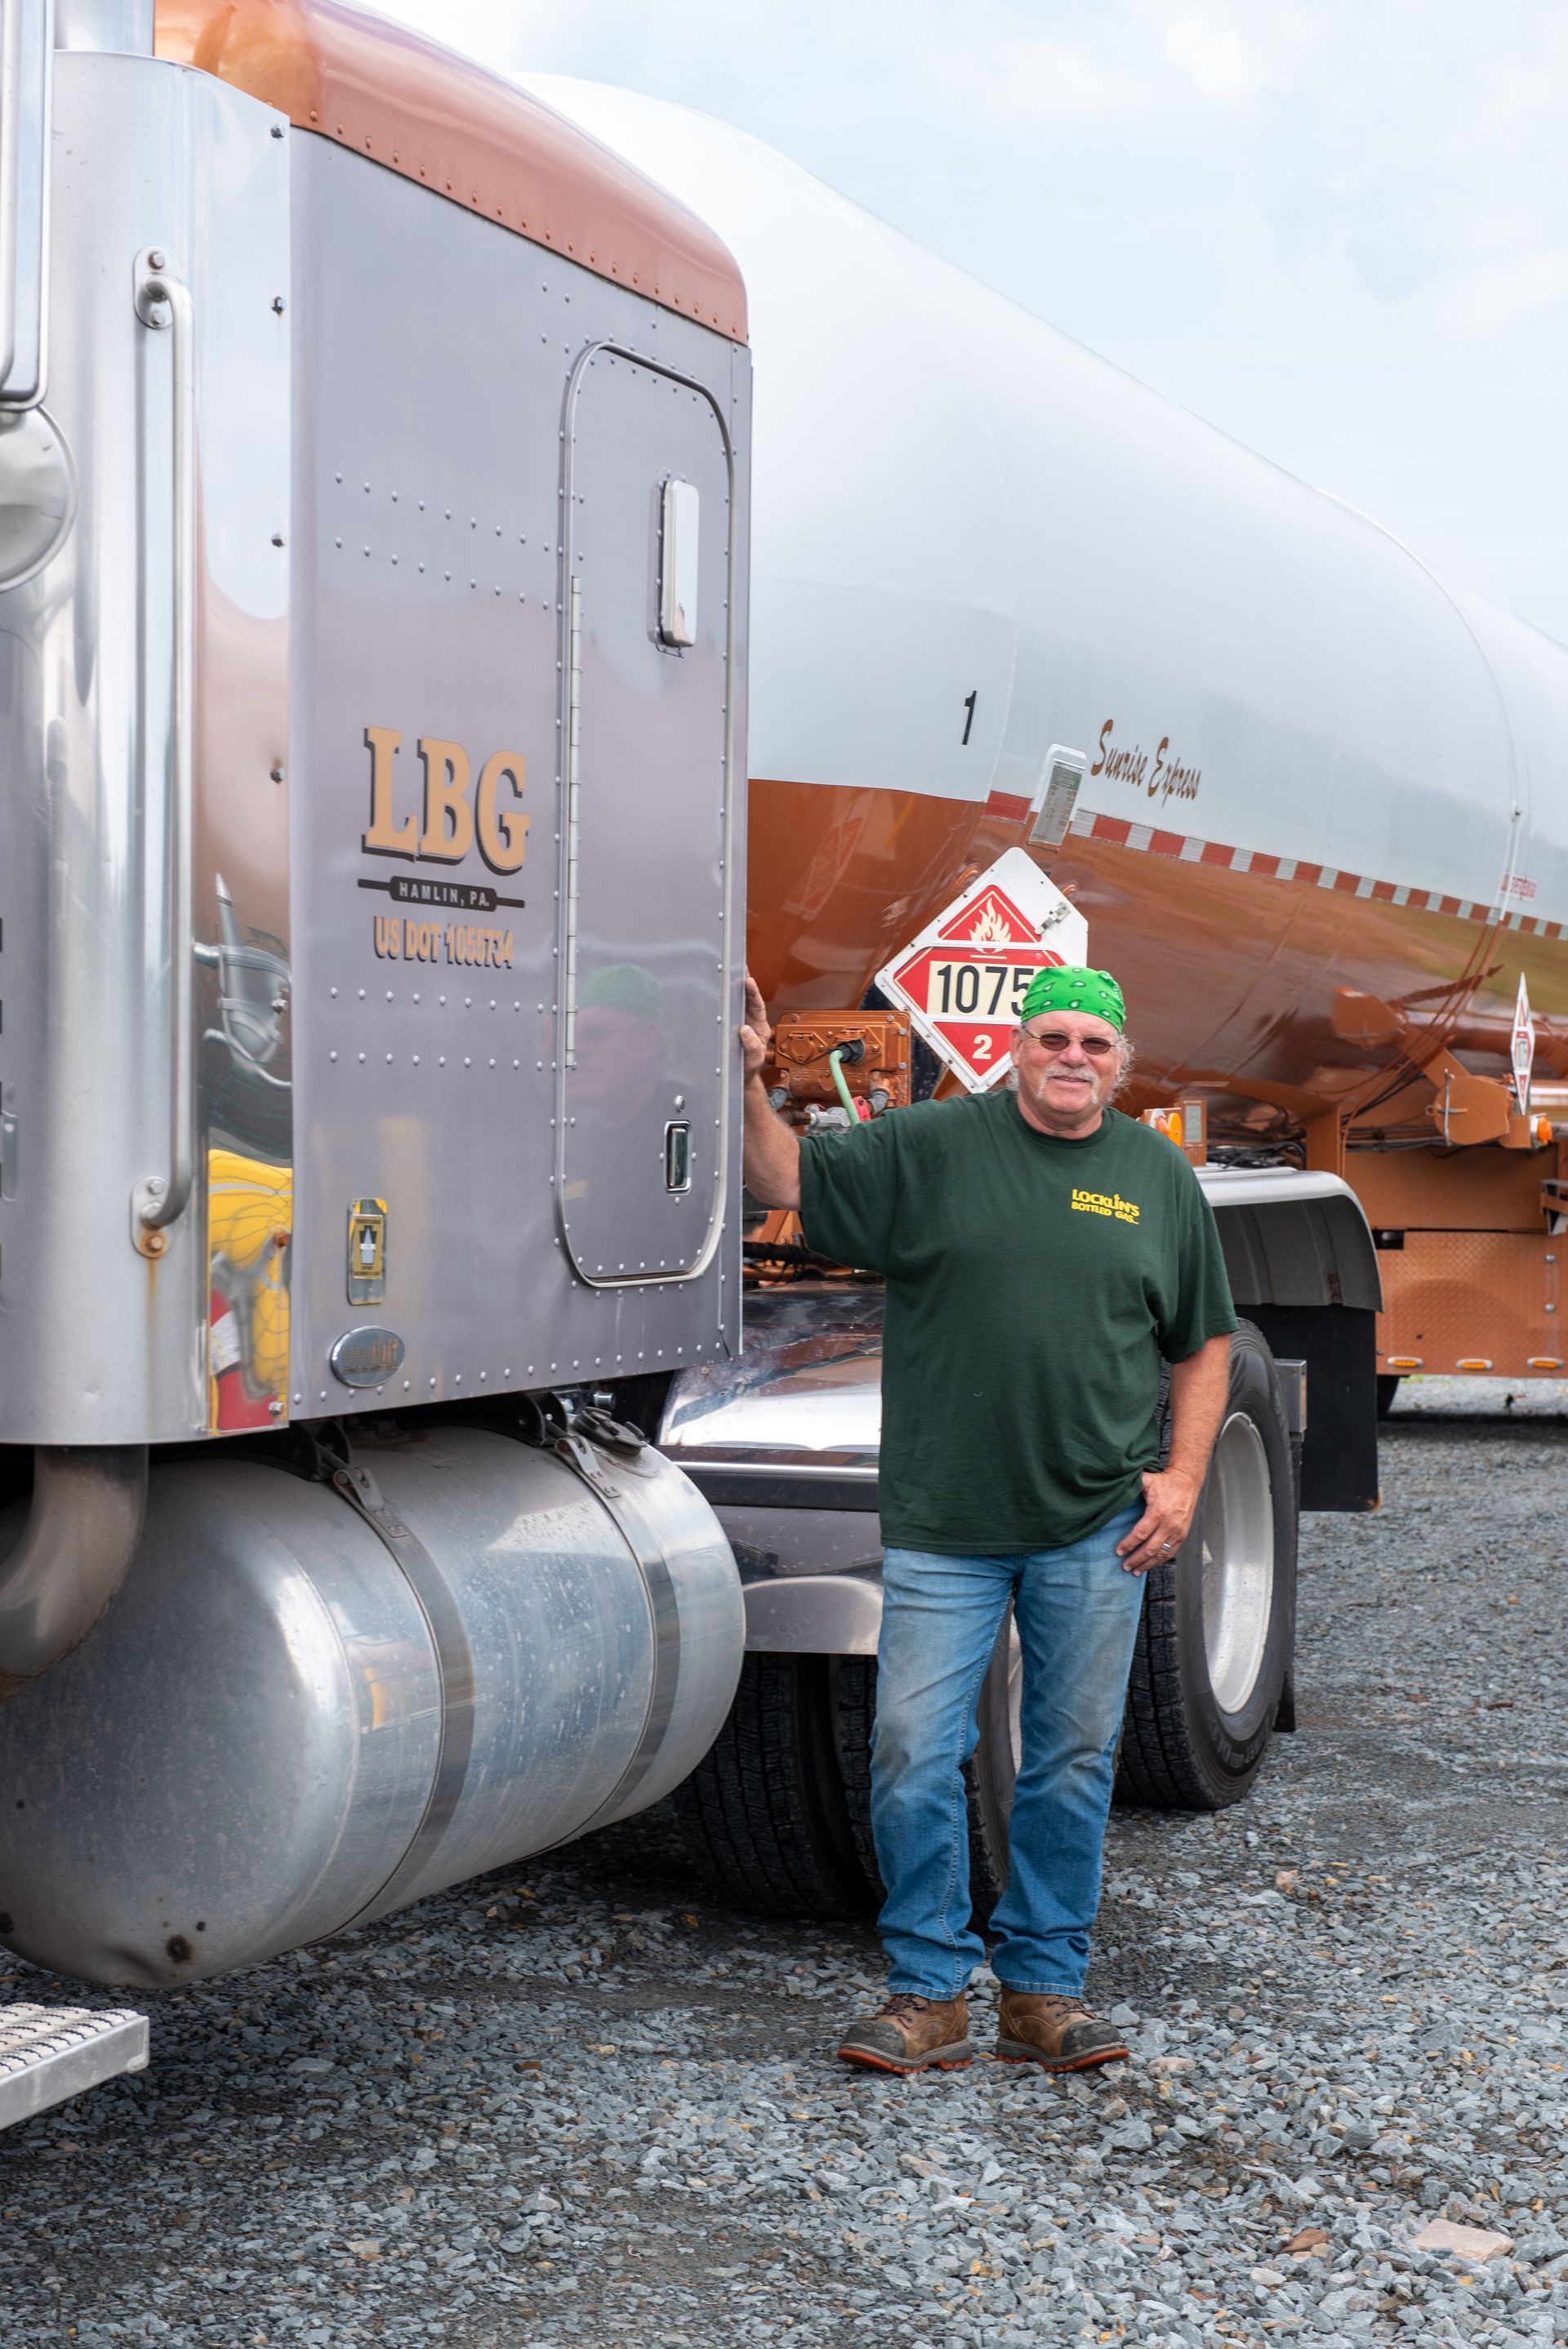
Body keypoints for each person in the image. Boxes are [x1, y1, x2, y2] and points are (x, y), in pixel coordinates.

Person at [739, 963, 1236, 2075]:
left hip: (1096, 1524)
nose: (1073, 1058)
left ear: (1122, 1064)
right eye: (1053, 1037)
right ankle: (928, 1991)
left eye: (1094, 1045)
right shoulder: (930, 1149)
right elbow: (780, 1172)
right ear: (1016, 1049)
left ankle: (1043, 1990)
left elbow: (1203, 1340)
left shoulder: (1157, 1177)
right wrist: (746, 1078)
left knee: (1070, 1758)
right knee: (915, 1748)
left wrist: (1186, 1478)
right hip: (945, 1521)